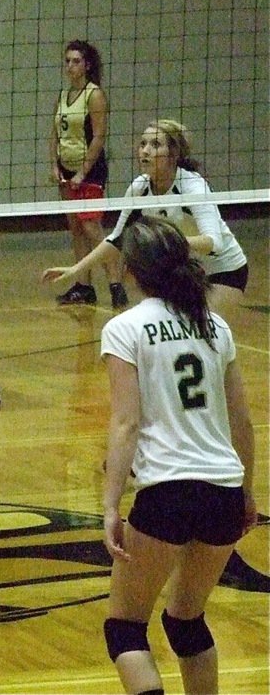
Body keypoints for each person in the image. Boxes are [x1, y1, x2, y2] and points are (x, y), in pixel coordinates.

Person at [99, 215, 256, 695]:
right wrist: (247, 493)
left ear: (129, 268)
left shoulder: (125, 327)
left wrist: (109, 506)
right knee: (186, 622)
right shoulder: (214, 326)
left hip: (167, 492)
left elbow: (125, 424)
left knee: (125, 628)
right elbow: (243, 424)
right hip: (224, 491)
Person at [41, 119, 248, 317]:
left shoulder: (192, 187)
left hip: (224, 271)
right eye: (142, 144)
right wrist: (76, 270)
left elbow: (214, 242)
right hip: (186, 273)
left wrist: (164, 241)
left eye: (155, 144)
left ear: (173, 154)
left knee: (201, 336)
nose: (145, 151)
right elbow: (116, 240)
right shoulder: (140, 188)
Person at [49, 39, 126, 308]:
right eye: (67, 61)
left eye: (76, 61)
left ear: (87, 65)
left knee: (91, 226)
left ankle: (116, 284)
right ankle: (83, 286)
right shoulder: (63, 95)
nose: (70, 66)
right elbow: (55, 133)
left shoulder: (94, 95)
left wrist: (83, 171)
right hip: (66, 170)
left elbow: (99, 136)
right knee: (76, 228)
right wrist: (54, 164)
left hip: (90, 171)